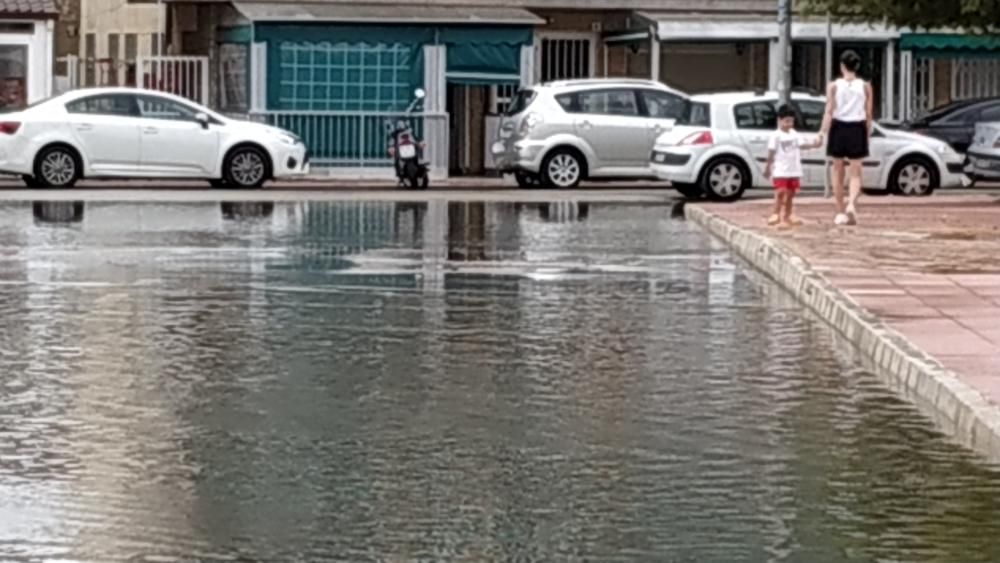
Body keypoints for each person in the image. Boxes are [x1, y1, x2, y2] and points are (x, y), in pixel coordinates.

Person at [821, 50, 874, 226]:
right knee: (856, 171)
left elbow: (829, 110)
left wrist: (823, 132)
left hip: (838, 126)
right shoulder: (865, 86)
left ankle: (839, 210)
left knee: (837, 170)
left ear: (842, 66)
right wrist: (866, 134)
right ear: (856, 66)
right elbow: (868, 113)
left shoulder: (833, 86)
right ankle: (852, 203)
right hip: (857, 127)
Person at [764, 104, 824, 228]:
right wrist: (768, 167)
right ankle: (776, 213)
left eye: (791, 121)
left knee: (791, 193)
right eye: (786, 121)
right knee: (781, 192)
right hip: (781, 170)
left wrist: (815, 145)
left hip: (793, 169)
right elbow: (771, 152)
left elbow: (802, 145)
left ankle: (788, 214)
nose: (789, 124)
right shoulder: (775, 136)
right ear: (779, 120)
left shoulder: (794, 134)